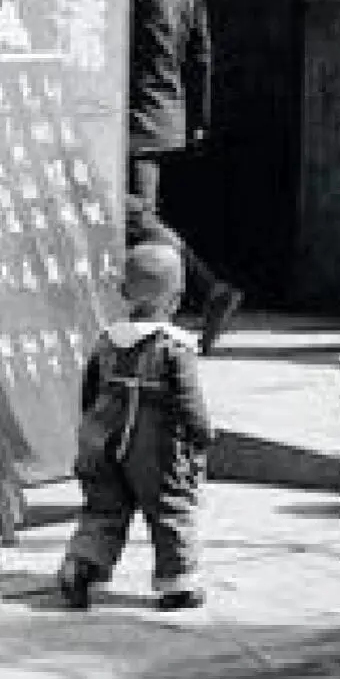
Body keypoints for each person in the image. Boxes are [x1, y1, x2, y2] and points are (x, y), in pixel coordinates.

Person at [57, 240, 212, 612]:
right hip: (155, 447)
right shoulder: (175, 349)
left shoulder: (107, 341)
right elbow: (190, 403)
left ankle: (82, 565)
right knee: (171, 508)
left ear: (125, 292)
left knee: (103, 507)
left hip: (103, 437)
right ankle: (178, 583)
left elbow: (90, 392)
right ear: (176, 298)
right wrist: (202, 435)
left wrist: (92, 431)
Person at [128, 0, 242, 354]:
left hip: (130, 115)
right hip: (169, 112)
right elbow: (202, 53)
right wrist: (199, 117)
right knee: (135, 213)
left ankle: (207, 286)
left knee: (135, 214)